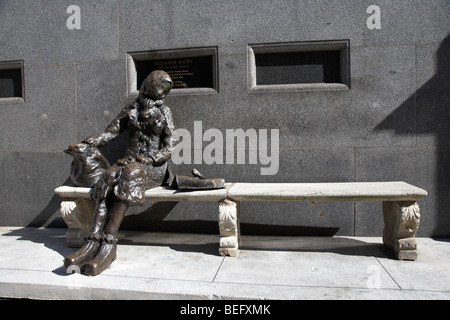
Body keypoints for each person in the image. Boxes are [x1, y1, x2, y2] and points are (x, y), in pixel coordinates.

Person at [64, 70, 175, 276]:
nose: (161, 93)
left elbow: (169, 147)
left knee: (130, 174)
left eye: (165, 90)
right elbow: (109, 133)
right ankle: (92, 242)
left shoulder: (164, 112)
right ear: (149, 84)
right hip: (128, 164)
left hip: (152, 168)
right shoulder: (131, 109)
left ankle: (109, 244)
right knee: (109, 176)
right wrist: (87, 143)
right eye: (159, 87)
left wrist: (151, 159)